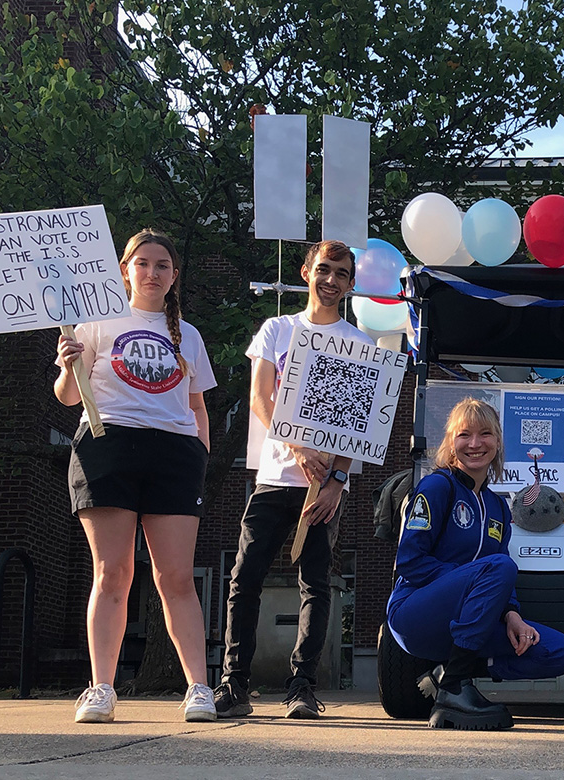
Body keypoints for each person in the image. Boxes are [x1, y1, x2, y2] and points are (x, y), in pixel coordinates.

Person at [55, 229, 218, 723]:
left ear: (174, 276)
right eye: (142, 263)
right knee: (113, 573)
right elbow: (66, 396)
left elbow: (197, 407)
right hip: (107, 446)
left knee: (175, 577)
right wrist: (67, 366)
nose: (152, 273)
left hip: (174, 454)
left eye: (162, 265)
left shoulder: (187, 335)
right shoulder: (96, 321)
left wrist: (201, 459)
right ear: (125, 269)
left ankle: (199, 689)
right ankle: (101, 688)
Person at [214, 240, 370, 719]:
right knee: (244, 577)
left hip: (325, 488)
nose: (331, 280)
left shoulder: (359, 343)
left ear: (349, 284)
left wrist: (337, 479)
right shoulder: (277, 330)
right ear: (305, 271)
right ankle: (233, 682)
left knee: (316, 583)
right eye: (324, 269)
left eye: (341, 274)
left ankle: (302, 686)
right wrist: (300, 448)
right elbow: (260, 397)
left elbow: (360, 420)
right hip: (275, 476)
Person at [387, 398, 564, 730]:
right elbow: (410, 562)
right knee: (499, 568)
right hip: (416, 613)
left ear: (498, 441)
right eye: (464, 435)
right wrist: (469, 581)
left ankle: (450, 673)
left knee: (561, 650)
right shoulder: (436, 487)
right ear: (451, 442)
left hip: (469, 624)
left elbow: (497, 573)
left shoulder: (499, 508)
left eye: (485, 434)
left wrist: (512, 616)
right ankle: (455, 689)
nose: (475, 444)